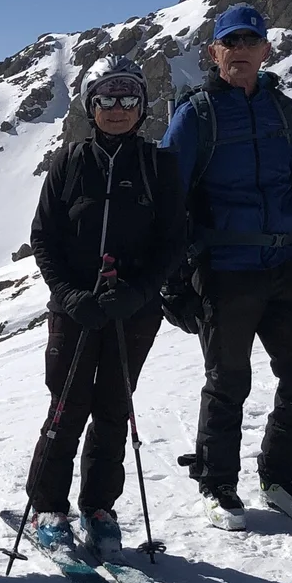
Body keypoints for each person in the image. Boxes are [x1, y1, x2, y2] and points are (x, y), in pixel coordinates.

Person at [161, 4, 292, 530]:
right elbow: (171, 199)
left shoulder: (284, 112)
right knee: (228, 381)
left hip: (282, 265)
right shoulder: (196, 114)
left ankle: (280, 476)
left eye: (249, 42)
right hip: (224, 269)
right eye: (229, 43)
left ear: (265, 49)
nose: (240, 51)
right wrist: (175, 281)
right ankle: (218, 483)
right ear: (214, 53)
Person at [24, 57, 186, 556]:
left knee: (115, 408)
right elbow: (43, 238)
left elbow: (174, 240)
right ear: (92, 106)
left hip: (134, 310)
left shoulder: (159, 165)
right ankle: (50, 507)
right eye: (107, 99)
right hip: (74, 307)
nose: (118, 109)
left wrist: (138, 293)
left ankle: (100, 506)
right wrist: (71, 296)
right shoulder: (69, 163)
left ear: (142, 107)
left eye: (128, 99)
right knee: (66, 408)